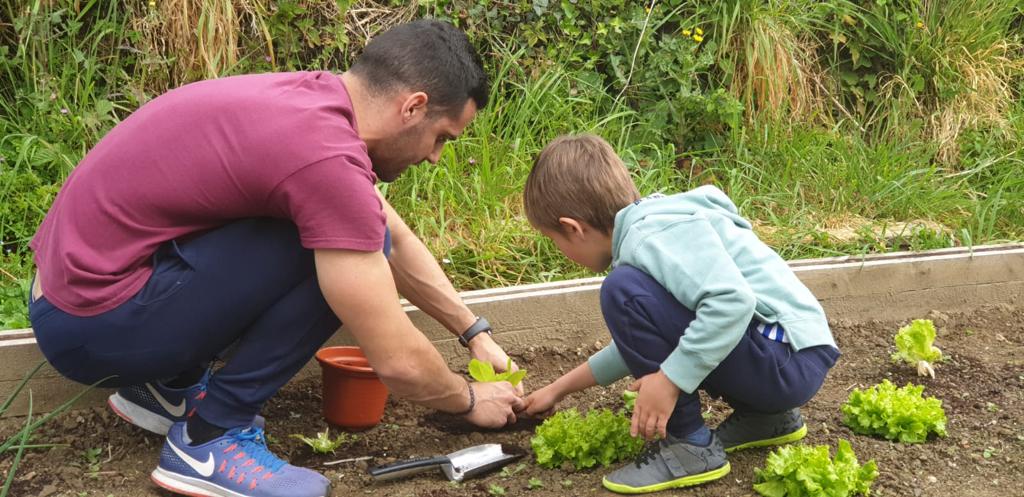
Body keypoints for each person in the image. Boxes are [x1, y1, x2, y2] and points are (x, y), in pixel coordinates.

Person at [27, 19, 524, 497]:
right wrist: (470, 399)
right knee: (337, 246)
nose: (436, 156)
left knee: (357, 232)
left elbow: (387, 227)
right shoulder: (324, 159)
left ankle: (166, 390)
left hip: (69, 294)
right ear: (413, 106)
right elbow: (395, 360)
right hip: (95, 327)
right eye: (442, 137)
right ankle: (210, 440)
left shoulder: (314, 103)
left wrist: (472, 331)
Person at [520, 134, 840, 494]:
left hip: (781, 358)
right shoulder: (661, 224)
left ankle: (689, 444)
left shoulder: (650, 239)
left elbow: (731, 303)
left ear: (573, 228)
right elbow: (650, 341)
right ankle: (768, 418)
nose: (560, 251)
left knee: (622, 291)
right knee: (656, 312)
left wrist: (668, 381)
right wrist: (557, 390)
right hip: (794, 353)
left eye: (554, 241)